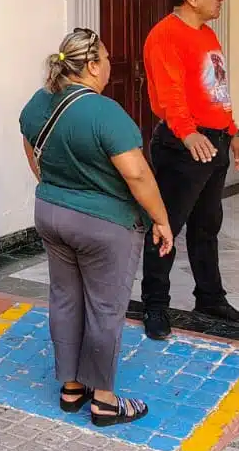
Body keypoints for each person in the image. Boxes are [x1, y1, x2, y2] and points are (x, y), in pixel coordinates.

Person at [21, 29, 175, 427]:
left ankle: (71, 387)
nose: (109, 65)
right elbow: (137, 175)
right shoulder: (105, 112)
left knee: (65, 299)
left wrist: (53, 183)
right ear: (91, 66)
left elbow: (29, 144)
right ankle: (104, 400)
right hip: (104, 225)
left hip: (51, 213)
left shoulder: (40, 102)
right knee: (105, 309)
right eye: (106, 58)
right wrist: (161, 219)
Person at [139, 0, 239, 340]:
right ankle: (155, 304)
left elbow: (216, 92)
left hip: (214, 141)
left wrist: (233, 131)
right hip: (183, 145)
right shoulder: (165, 36)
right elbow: (170, 95)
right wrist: (188, 134)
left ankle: (210, 299)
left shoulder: (206, 34)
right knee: (166, 226)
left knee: (207, 226)